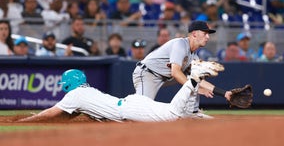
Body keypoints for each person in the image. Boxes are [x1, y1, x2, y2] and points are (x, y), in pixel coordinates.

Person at [17, 66, 232, 122]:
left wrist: (28, 120)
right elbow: (66, 116)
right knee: (175, 118)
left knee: (173, 115)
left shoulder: (74, 96)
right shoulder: (84, 94)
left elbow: (53, 113)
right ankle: (203, 116)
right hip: (131, 106)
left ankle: (193, 79)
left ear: (67, 84)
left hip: (130, 109)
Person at [132, 21, 231, 117]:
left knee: (195, 79)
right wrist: (196, 89)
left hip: (163, 77)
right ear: (194, 34)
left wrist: (224, 93)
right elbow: (175, 72)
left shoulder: (194, 56)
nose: (208, 37)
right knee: (141, 110)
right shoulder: (180, 44)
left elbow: (200, 81)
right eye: (205, 33)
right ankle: (120, 110)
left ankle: (193, 111)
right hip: (147, 74)